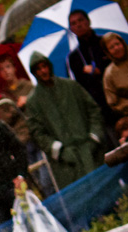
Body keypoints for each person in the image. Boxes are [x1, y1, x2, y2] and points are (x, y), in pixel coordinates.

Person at [25, 52, 105, 189]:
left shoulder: (71, 86)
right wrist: (59, 151)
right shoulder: (34, 102)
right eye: (38, 69)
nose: (43, 71)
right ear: (34, 73)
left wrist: (94, 137)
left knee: (105, 186)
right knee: (82, 196)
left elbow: (93, 110)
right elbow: (37, 133)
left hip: (89, 149)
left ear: (49, 66)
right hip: (66, 161)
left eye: (44, 66)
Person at [67, 9, 120, 130]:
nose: (78, 25)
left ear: (88, 21)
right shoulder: (74, 57)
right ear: (71, 29)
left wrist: (100, 71)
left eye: (80, 20)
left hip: (120, 95)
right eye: (73, 23)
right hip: (101, 107)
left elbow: (120, 65)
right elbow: (81, 87)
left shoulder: (105, 42)